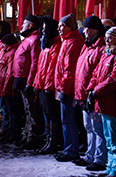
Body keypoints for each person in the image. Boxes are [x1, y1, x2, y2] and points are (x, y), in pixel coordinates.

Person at [88, 26, 116, 177]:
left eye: (110, 37)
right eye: (106, 37)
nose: (106, 40)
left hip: (115, 104)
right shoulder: (106, 55)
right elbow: (96, 74)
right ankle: (110, 166)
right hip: (105, 103)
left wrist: (96, 91)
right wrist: (91, 89)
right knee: (109, 138)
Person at [74, 16, 108, 171]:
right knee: (88, 126)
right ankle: (90, 155)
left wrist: (92, 91)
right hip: (83, 94)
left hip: (93, 95)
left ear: (95, 29)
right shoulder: (86, 46)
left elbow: (97, 73)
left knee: (97, 128)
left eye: (88, 28)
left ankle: (100, 158)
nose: (85, 31)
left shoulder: (100, 48)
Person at [53, 14, 84, 162]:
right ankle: (69, 148)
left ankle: (71, 150)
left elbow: (69, 69)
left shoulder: (73, 42)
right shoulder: (67, 41)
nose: (59, 28)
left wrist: (63, 89)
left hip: (68, 89)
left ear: (70, 26)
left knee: (69, 120)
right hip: (64, 87)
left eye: (62, 26)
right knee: (66, 120)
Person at [12, 15, 43, 149]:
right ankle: (26, 135)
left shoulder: (34, 40)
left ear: (30, 25)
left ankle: (32, 137)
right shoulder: (28, 39)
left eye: (24, 23)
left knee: (32, 109)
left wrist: (30, 82)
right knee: (27, 109)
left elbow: (34, 63)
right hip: (21, 77)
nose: (21, 26)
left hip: (26, 79)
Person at [34, 17, 62, 155]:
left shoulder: (56, 45)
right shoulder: (46, 46)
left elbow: (52, 69)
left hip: (49, 87)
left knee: (52, 115)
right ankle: (49, 141)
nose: (43, 31)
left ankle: (53, 142)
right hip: (43, 85)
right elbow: (41, 68)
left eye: (46, 28)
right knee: (48, 115)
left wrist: (47, 86)